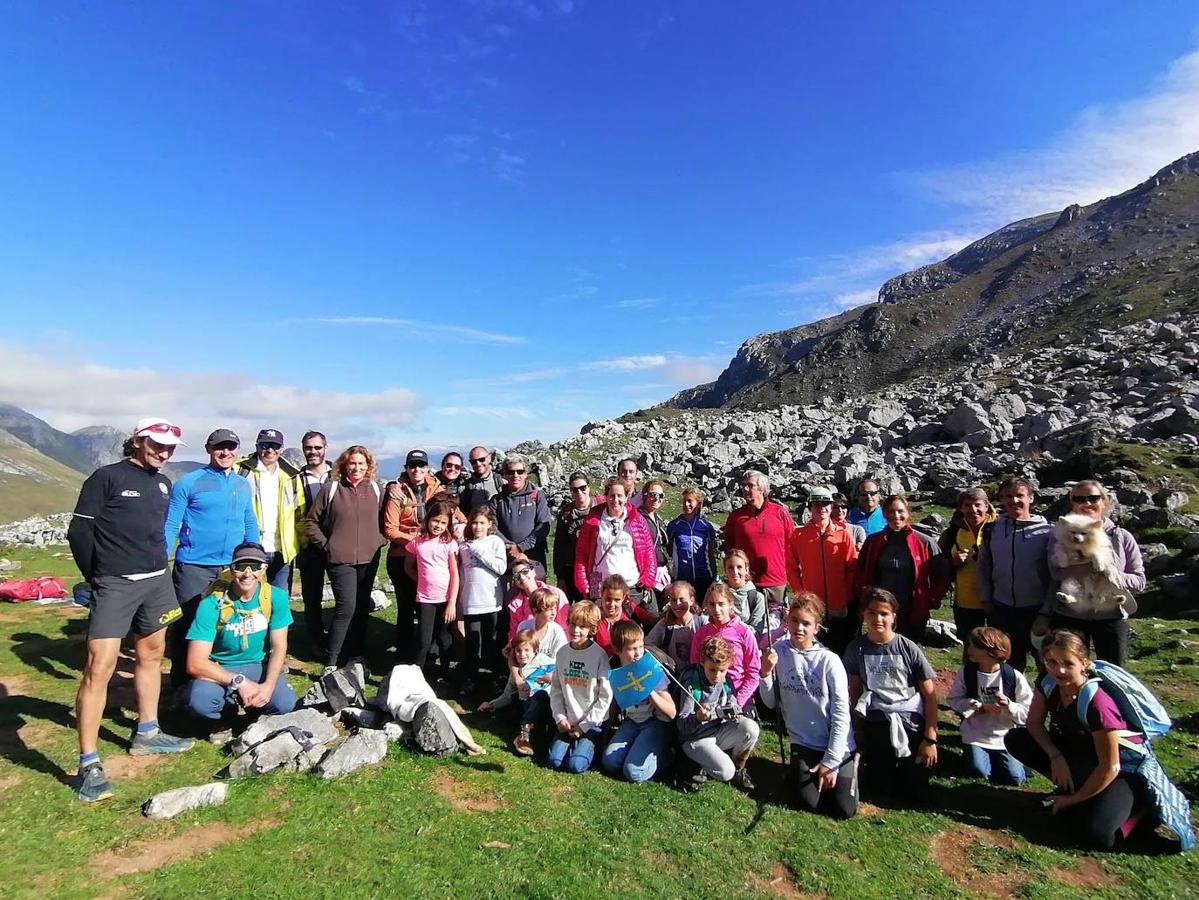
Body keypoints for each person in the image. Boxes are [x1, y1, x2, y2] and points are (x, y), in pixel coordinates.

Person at [67, 417, 194, 802]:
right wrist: (97, 576)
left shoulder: (162, 483)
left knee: (152, 655)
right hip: (115, 583)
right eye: (157, 444)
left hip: (156, 581)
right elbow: (79, 531)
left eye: (171, 447)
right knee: (99, 668)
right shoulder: (106, 478)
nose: (164, 452)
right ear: (138, 441)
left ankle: (148, 732)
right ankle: (88, 763)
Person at [1005, 630, 1192, 851]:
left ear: (1084, 663)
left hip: (1125, 769)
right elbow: (1034, 724)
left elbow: (1110, 765)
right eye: (1052, 662)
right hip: (1086, 754)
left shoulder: (1098, 703)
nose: (1059, 670)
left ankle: (1141, 811)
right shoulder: (1048, 683)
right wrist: (1056, 758)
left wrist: (1070, 801)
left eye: (1068, 663)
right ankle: (1080, 793)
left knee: (1098, 835)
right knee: (1019, 739)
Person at [163, 428, 259, 686]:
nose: (225, 452)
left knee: (229, 622)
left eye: (230, 447)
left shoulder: (241, 483)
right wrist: (160, 558)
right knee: (188, 624)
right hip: (194, 566)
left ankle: (217, 677)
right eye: (219, 447)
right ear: (208, 449)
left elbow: (249, 520)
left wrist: (256, 558)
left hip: (232, 567)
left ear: (237, 451)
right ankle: (180, 681)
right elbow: (172, 524)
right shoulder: (189, 482)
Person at [759, 594, 858, 819]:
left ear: (817, 628)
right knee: (809, 803)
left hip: (837, 744)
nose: (799, 628)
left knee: (844, 809)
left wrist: (832, 761)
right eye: (794, 620)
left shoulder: (830, 661)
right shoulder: (778, 653)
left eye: (806, 623)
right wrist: (765, 673)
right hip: (804, 742)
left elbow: (842, 715)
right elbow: (770, 702)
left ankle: (851, 764)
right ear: (787, 621)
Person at [844, 587, 939, 804]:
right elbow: (855, 692)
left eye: (884, 613)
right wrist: (858, 731)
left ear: (894, 616)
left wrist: (930, 738)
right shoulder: (856, 649)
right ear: (863, 615)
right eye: (872, 613)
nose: (878, 618)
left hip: (910, 722)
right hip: (877, 719)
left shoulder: (908, 648)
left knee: (916, 793)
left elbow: (930, 696)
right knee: (880, 788)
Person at [183, 541, 297, 722]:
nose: (247, 573)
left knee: (284, 704)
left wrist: (268, 686)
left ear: (264, 569)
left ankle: (253, 711)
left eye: (255, 567)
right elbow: (195, 663)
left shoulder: (276, 597)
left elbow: (279, 647)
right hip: (220, 668)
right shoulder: (211, 604)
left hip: (257, 664)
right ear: (231, 569)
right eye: (241, 567)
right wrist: (240, 682)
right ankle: (225, 718)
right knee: (200, 703)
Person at [1036, 480, 1145, 666]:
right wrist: (1044, 614)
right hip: (1069, 615)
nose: (1086, 503)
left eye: (1093, 498)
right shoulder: (1060, 536)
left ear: (1104, 502)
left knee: (1113, 673)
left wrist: (1111, 574)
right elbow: (1055, 574)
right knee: (1067, 670)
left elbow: (1140, 581)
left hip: (1111, 615)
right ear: (1072, 503)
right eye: (1079, 499)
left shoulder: (1122, 536)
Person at [302, 445, 386, 670]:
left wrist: (379, 541)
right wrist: (327, 545)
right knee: (345, 607)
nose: (356, 468)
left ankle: (356, 655)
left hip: (369, 558)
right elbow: (311, 521)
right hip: (340, 559)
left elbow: (383, 519)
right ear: (343, 465)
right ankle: (332, 660)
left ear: (368, 466)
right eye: (352, 463)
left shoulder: (376, 489)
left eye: (361, 463)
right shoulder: (331, 489)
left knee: (361, 608)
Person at [977, 476, 1054, 671]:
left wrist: (1046, 612)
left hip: (1037, 611)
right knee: (1007, 665)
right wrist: (986, 600)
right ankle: (1010, 701)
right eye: (1008, 496)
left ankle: (1044, 701)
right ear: (1001, 500)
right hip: (1002, 609)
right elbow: (984, 566)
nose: (1014, 501)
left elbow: (1056, 576)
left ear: (1031, 498)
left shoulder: (1048, 532)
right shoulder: (991, 530)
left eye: (1019, 495)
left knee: (1046, 665)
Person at [856, 494, 948, 643]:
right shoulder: (873, 542)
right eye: (891, 512)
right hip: (881, 612)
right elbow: (861, 571)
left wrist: (931, 599)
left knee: (909, 653)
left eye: (900, 511)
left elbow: (943, 574)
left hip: (913, 611)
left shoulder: (924, 542)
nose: (896, 516)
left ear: (908, 513)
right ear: (884, 514)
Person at [947, 626, 1032, 786]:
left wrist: (1008, 705)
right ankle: (980, 757)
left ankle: (1012, 761)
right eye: (969, 645)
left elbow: (1028, 711)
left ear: (994, 651)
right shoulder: (967, 673)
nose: (969, 650)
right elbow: (953, 699)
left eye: (976, 646)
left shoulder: (1013, 677)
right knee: (978, 772)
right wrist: (972, 705)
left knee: (1015, 779)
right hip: (975, 733)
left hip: (1005, 735)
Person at [678, 636, 760, 791]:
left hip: (718, 731)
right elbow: (681, 724)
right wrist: (697, 718)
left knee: (751, 728)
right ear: (703, 663)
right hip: (695, 738)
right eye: (712, 670)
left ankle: (739, 769)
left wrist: (734, 712)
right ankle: (693, 763)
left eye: (722, 670)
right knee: (725, 772)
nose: (717, 676)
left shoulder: (726, 681)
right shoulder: (692, 683)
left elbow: (732, 703)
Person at [785, 485, 859, 655]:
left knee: (841, 647)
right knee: (814, 648)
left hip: (839, 603)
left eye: (825, 503)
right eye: (816, 504)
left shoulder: (843, 534)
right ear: (810, 507)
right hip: (812, 603)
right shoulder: (799, 535)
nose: (821, 508)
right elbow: (791, 567)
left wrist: (846, 594)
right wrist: (801, 592)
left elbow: (852, 567)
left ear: (831, 507)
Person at [383, 449, 441, 662]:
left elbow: (448, 511)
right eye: (412, 465)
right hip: (401, 556)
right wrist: (419, 543)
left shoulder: (436, 488)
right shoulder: (397, 491)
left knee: (428, 606)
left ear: (427, 468)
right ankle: (404, 654)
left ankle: (428, 654)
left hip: (429, 559)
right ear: (406, 468)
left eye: (421, 465)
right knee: (406, 606)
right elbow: (390, 529)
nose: (417, 469)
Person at [602, 620, 677, 784]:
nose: (638, 653)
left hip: (656, 722)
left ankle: (668, 754)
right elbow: (614, 702)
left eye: (640, 647)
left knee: (633, 772)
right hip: (633, 720)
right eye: (632, 649)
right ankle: (637, 747)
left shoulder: (650, 669)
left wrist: (650, 692)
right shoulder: (616, 669)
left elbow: (671, 712)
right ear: (618, 650)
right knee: (610, 762)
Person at [235, 428, 306, 592]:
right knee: (247, 594)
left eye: (275, 446)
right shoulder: (240, 471)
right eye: (265, 445)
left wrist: (302, 544)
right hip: (250, 545)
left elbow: (299, 513)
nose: (270, 450)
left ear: (281, 449)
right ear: (257, 446)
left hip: (282, 549)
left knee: (279, 597)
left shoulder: (292, 476)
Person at [547, 600, 613, 774]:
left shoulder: (599, 655)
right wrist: (560, 718)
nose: (576, 630)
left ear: (591, 629)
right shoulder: (562, 653)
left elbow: (605, 696)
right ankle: (571, 744)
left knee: (576, 766)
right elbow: (556, 690)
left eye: (582, 627)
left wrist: (584, 727)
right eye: (573, 624)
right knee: (554, 761)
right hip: (568, 721)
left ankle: (591, 745)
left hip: (592, 723)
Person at [573, 477, 657, 610]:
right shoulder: (593, 519)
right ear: (606, 496)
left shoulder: (637, 519)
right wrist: (583, 584)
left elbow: (648, 552)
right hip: (599, 585)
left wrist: (647, 580)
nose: (615, 500)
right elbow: (582, 554)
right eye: (612, 496)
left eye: (619, 496)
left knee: (630, 628)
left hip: (631, 585)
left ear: (626, 497)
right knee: (599, 627)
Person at [722, 470, 795, 610]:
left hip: (775, 583)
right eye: (743, 485)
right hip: (746, 584)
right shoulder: (736, 517)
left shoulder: (780, 513)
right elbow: (730, 548)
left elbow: (792, 545)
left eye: (750, 485)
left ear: (762, 489)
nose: (745, 489)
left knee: (776, 626)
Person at [405, 500, 460, 676]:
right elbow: (408, 567)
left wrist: (452, 602)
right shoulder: (417, 543)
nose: (438, 525)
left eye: (443, 523)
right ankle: (417, 676)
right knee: (424, 640)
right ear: (428, 519)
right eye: (436, 520)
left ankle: (443, 673)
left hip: (446, 600)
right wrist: (421, 580)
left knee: (444, 638)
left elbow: (455, 574)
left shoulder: (449, 544)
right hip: (425, 600)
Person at [478, 629, 554, 756]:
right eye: (518, 651)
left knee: (542, 696)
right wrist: (492, 704)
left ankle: (534, 734)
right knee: (524, 701)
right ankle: (524, 733)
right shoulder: (517, 671)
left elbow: (560, 675)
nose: (522, 654)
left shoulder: (545, 661)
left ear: (535, 650)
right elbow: (508, 695)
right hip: (525, 705)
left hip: (545, 706)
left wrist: (551, 677)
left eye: (526, 650)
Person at [690, 582, 760, 712]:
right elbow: (695, 668)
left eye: (721, 604)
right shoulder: (701, 634)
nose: (716, 610)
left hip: (739, 694)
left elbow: (754, 673)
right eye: (712, 604)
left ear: (730, 604)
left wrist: (737, 702)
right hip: (708, 697)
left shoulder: (743, 632)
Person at [458, 506, 507, 691]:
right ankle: (470, 678)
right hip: (471, 602)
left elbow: (501, 568)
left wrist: (479, 550)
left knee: (491, 641)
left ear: (489, 525)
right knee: (472, 642)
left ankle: (495, 677)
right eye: (474, 523)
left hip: (491, 602)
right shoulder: (463, 545)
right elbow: (461, 572)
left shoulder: (495, 542)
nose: (477, 527)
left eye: (481, 523)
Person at [938, 487, 997, 639]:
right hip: (965, 602)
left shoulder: (1000, 529)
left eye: (978, 505)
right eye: (967, 505)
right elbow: (937, 566)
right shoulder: (952, 533)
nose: (973, 509)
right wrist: (953, 562)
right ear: (961, 508)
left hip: (998, 601)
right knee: (970, 648)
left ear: (986, 506)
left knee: (997, 647)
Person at [296, 430, 332, 655]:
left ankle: (341, 639)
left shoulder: (338, 475)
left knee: (344, 595)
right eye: (309, 447)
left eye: (317, 447)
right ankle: (316, 641)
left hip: (337, 544)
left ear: (325, 448)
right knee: (312, 596)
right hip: (309, 545)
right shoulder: (296, 478)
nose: (313, 452)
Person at [489, 453, 551, 575]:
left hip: (534, 556)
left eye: (520, 471)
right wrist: (509, 546)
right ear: (505, 475)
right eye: (511, 472)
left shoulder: (537, 496)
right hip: (505, 558)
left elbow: (544, 526)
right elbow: (491, 527)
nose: (515, 475)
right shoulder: (497, 500)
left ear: (526, 473)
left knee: (534, 592)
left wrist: (521, 547)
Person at [667, 487, 720, 602]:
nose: (686, 504)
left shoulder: (706, 527)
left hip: (704, 577)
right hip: (682, 578)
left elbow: (711, 552)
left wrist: (715, 576)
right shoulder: (674, 526)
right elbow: (669, 550)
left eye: (690, 501)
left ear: (698, 503)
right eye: (684, 501)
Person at [646, 580, 707, 672]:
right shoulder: (665, 625)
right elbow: (647, 645)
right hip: (675, 676)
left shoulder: (701, 622)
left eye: (682, 599)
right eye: (674, 600)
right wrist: (663, 658)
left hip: (699, 675)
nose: (677, 604)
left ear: (691, 600)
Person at [552, 472, 592, 604]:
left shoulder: (599, 507)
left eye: (583, 488)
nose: (579, 492)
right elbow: (558, 546)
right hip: (571, 569)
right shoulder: (566, 513)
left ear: (589, 487)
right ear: (570, 491)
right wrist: (560, 577)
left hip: (592, 568)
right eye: (575, 489)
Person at [505, 562, 570, 643]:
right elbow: (514, 633)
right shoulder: (515, 605)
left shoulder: (555, 593)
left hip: (555, 644)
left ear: (533, 571)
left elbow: (565, 625)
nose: (521, 577)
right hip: (529, 649)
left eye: (525, 571)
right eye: (516, 576)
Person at [595, 574, 658, 656]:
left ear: (624, 598)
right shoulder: (594, 616)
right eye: (608, 599)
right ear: (601, 595)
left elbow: (654, 622)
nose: (612, 604)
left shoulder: (630, 610)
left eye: (617, 600)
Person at [639, 479, 672, 605]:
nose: (656, 499)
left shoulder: (658, 519)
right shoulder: (638, 518)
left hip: (662, 570)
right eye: (653, 495)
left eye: (660, 496)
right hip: (647, 573)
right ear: (644, 496)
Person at [514, 587, 570, 661]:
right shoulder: (524, 627)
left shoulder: (557, 631)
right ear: (536, 610)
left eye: (555, 608)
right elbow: (515, 652)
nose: (553, 613)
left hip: (550, 671)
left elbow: (561, 658)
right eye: (549, 610)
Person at [723, 549, 765, 633]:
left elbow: (756, 630)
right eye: (730, 568)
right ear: (725, 571)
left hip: (745, 642)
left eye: (739, 567)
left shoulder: (756, 597)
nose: (735, 572)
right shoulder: (718, 594)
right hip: (720, 642)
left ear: (746, 569)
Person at [460, 445, 505, 514]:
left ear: (489, 458)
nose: (478, 464)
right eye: (473, 462)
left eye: (481, 459)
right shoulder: (466, 489)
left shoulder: (502, 483)